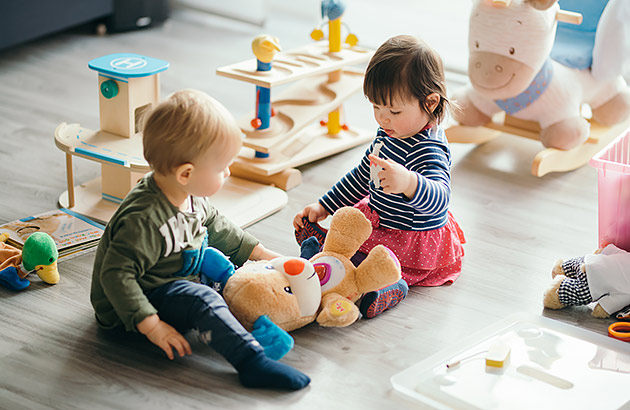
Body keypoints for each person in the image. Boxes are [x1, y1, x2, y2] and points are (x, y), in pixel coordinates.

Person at [90, 89, 310, 390]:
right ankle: (251, 361)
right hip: (129, 308)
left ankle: (256, 322)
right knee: (204, 298)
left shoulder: (188, 194)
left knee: (231, 277)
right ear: (186, 173)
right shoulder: (144, 220)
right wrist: (152, 325)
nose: (228, 172)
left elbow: (218, 226)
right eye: (221, 168)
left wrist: (265, 255)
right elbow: (116, 276)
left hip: (173, 275)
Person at [294, 35, 466, 318]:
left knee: (377, 264)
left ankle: (388, 288)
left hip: (411, 237)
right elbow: (362, 175)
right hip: (380, 219)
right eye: (376, 107)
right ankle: (324, 253)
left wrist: (409, 183)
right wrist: (324, 206)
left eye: (394, 111)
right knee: (350, 234)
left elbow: (441, 199)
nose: (382, 119)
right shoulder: (388, 133)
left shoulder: (429, 148)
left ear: (431, 103)